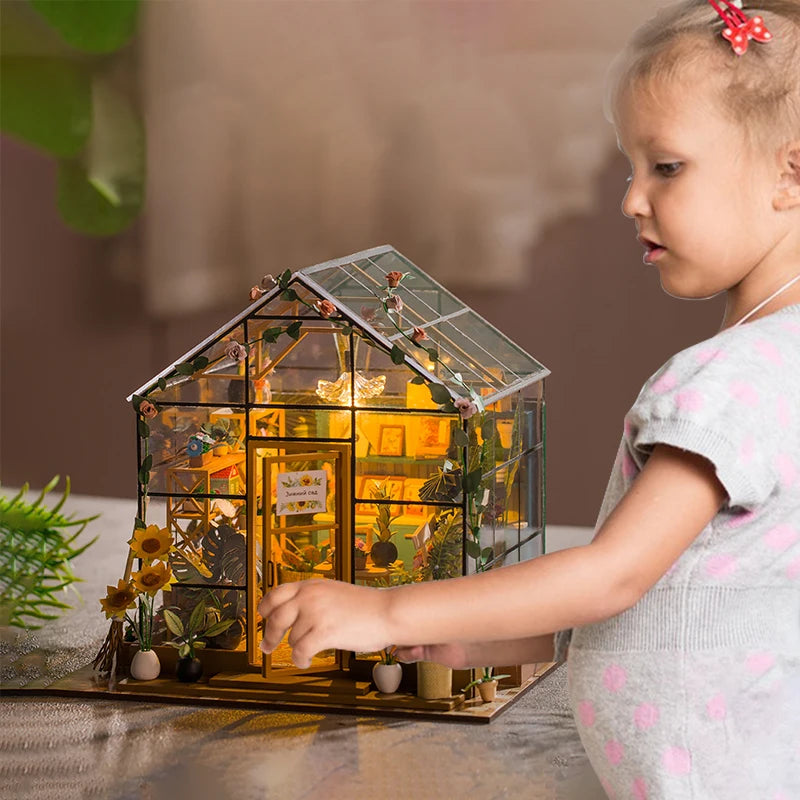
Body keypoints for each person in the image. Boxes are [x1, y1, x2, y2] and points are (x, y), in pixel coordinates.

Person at [259, 1, 800, 795]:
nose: (631, 199)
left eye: (667, 167)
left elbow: (615, 575)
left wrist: (386, 610)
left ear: (792, 172)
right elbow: (704, 599)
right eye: (631, 167)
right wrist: (494, 637)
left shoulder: (727, 382)